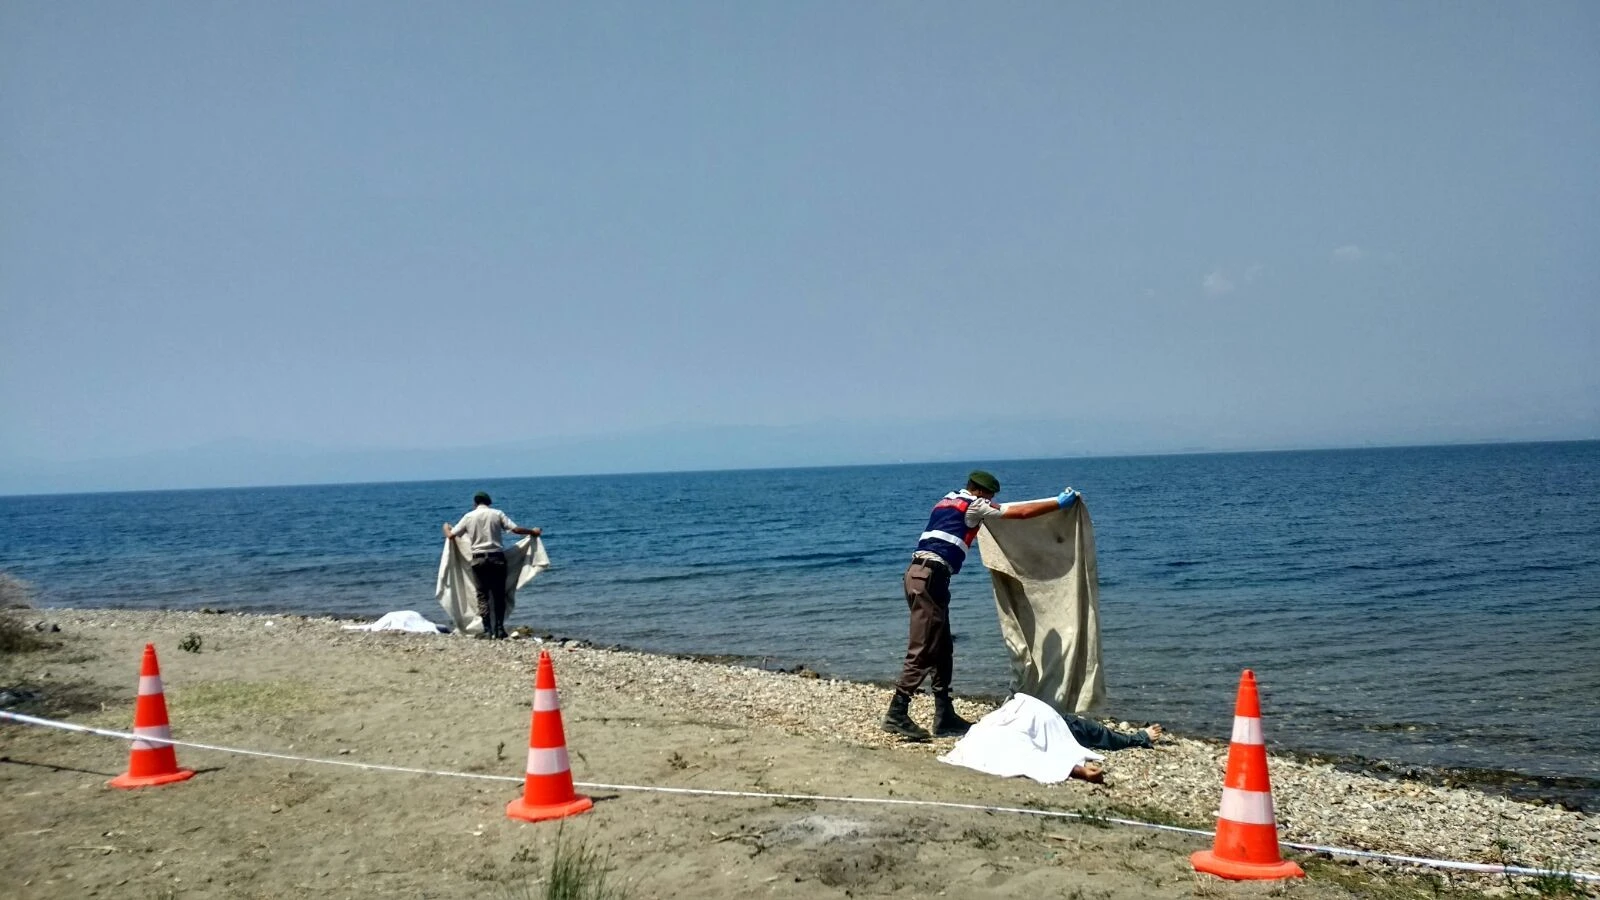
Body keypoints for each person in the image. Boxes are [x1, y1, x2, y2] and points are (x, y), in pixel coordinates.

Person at [885, 470, 1081, 742]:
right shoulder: (975, 505)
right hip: (930, 578)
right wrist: (1057, 503)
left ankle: (944, 714)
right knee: (925, 646)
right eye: (990, 496)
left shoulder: (947, 500)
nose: (991, 501)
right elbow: (1019, 512)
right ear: (980, 492)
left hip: (920, 577)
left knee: (942, 646)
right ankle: (897, 711)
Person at [442, 492, 541, 640]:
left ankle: (487, 630)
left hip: (478, 560)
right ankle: (500, 629)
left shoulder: (469, 517)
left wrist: (446, 528)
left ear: (475, 503)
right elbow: (516, 530)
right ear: (489, 502)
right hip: (497, 559)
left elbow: (451, 536)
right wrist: (533, 532)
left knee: (482, 596)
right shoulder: (497, 514)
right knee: (498, 595)